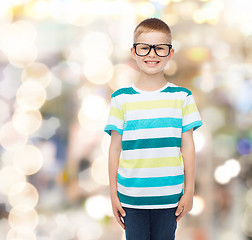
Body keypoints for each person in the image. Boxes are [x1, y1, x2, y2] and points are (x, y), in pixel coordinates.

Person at [104, 17, 203, 240]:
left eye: (159, 48)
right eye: (144, 48)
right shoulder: (121, 99)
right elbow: (114, 149)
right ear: (133, 52)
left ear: (170, 53)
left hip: (170, 197)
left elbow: (187, 145)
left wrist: (189, 191)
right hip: (131, 198)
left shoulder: (182, 97)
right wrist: (113, 194)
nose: (152, 54)